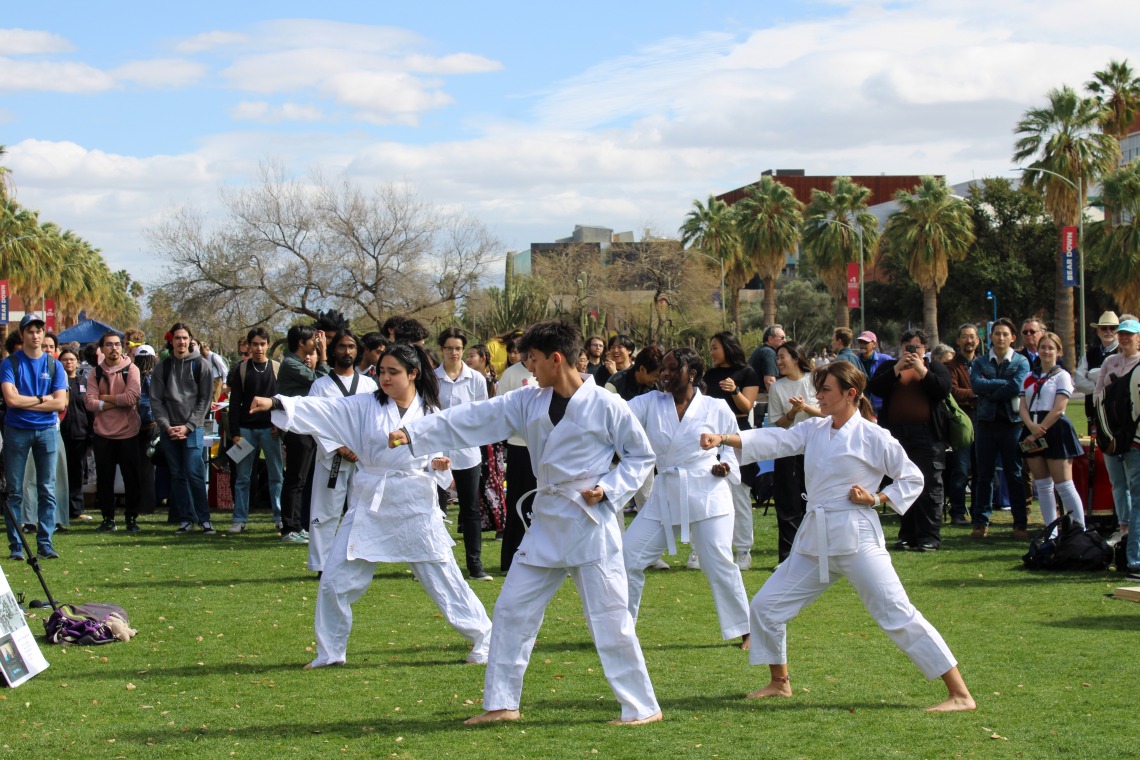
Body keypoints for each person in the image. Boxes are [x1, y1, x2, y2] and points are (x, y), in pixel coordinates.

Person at [390, 320, 661, 726]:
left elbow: (641, 456)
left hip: (590, 522)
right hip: (547, 520)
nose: (526, 366)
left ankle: (642, 707)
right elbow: (473, 417)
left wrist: (610, 488)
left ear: (556, 358)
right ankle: (502, 703)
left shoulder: (607, 404)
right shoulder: (527, 400)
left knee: (610, 619)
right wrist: (415, 432)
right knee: (512, 610)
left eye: (531, 358)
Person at [701, 361, 975, 713]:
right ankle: (778, 682)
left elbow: (912, 477)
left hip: (857, 537)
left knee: (897, 613)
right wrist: (724, 437)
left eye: (826, 390)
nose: (819, 396)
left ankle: (960, 694)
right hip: (815, 538)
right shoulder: (815, 429)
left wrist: (877, 498)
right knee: (766, 606)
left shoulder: (874, 436)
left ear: (850, 394)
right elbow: (777, 439)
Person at [249, 342, 492, 668]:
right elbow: (322, 410)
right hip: (371, 504)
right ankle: (331, 653)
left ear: (413, 374)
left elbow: (438, 454)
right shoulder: (364, 406)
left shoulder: (431, 411)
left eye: (394, 372)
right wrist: (276, 402)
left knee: (445, 580)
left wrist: (437, 462)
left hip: (414, 505)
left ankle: (484, 639)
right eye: (381, 371)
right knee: (334, 580)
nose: (385, 378)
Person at [622, 347, 751, 647]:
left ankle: (746, 629)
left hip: (707, 491)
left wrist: (726, 465)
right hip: (666, 491)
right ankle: (622, 629)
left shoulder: (716, 407)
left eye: (671, 369)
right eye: (662, 369)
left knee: (718, 561)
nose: (664, 374)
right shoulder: (650, 402)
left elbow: (733, 445)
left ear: (691, 373)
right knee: (628, 556)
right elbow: (617, 411)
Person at [867, 329, 952, 551]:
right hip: (896, 435)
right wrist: (898, 368)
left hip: (927, 435)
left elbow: (942, 389)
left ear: (925, 349)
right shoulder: (889, 368)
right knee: (902, 484)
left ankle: (929, 536)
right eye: (907, 348)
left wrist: (921, 370)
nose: (911, 352)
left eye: (917, 348)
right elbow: (875, 387)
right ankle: (907, 535)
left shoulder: (934, 367)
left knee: (929, 485)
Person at [306, 330, 377, 572]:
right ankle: (321, 564)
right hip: (332, 459)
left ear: (358, 351)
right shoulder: (320, 386)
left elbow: (375, 421)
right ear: (333, 350)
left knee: (360, 511)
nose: (347, 352)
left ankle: (358, 559)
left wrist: (360, 449)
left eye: (351, 347)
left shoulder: (369, 385)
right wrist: (339, 447)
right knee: (325, 512)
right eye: (342, 347)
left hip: (362, 459)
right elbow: (315, 422)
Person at [1, 313, 68, 560]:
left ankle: (45, 543)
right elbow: (11, 400)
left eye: (39, 330)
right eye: (30, 330)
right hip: (17, 430)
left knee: (47, 489)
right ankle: (17, 545)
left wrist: (25, 402)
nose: (35, 335)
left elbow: (60, 403)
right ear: (22, 335)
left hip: (47, 431)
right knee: (16, 491)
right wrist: (43, 399)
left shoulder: (54, 365)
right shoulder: (10, 364)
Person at [434, 327, 492, 581]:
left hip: (467, 451)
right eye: (449, 348)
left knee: (470, 509)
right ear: (441, 350)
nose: (454, 353)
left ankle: (475, 565)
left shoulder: (476, 379)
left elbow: (481, 413)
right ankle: (435, 562)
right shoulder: (432, 378)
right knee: (435, 509)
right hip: (437, 450)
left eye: (458, 348)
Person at [151, 322, 215, 534]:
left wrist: (188, 426)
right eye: (177, 338)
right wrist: (167, 426)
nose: (181, 342)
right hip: (169, 429)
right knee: (177, 475)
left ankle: (204, 520)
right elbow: (156, 400)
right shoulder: (163, 366)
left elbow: (205, 400)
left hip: (192, 429)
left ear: (190, 340)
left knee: (194, 473)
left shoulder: (201, 365)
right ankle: (185, 520)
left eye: (185, 338)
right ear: (171, 340)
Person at [1018, 331, 1086, 528]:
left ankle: (1079, 531)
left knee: (1064, 485)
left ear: (1058, 351)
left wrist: (1040, 429)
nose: (1046, 351)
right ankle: (1051, 532)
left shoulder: (1062, 376)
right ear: (1037, 350)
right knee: (1043, 486)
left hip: (1056, 430)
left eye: (1051, 348)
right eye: (1043, 347)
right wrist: (1031, 427)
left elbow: (1059, 408)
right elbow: (1022, 405)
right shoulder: (1029, 376)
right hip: (1031, 430)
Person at [704, 331, 760, 570]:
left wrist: (735, 390)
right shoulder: (708, 375)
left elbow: (746, 408)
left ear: (727, 347)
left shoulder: (747, 373)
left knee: (739, 494)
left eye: (715, 347)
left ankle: (743, 550)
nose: (712, 352)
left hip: (738, 436)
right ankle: (703, 550)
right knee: (707, 492)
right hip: (711, 437)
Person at [970, 318, 1031, 539]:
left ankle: (1020, 524)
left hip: (1012, 425)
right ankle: (980, 523)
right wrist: (1003, 386)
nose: (1001, 337)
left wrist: (991, 389)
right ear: (991, 337)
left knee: (1014, 475)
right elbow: (976, 385)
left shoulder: (1021, 361)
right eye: (997, 333)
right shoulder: (980, 362)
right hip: (986, 425)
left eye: (1005, 334)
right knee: (983, 476)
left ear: (1013, 338)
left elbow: (1018, 385)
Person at [766, 342, 821, 563]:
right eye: (777, 358)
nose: (779, 362)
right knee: (788, 504)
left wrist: (805, 407)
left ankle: (816, 554)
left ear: (796, 358)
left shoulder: (815, 380)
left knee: (814, 501)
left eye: (782, 357)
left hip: (815, 449)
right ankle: (787, 558)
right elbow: (778, 423)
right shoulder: (777, 388)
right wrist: (792, 412)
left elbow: (827, 414)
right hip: (788, 450)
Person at [1095, 317, 1140, 579]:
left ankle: (1128, 544)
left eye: (1128, 334)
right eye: (1121, 333)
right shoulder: (1110, 361)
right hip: (1114, 435)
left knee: (1133, 492)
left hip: (1131, 437)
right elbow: (1098, 395)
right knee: (1119, 485)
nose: (1123, 337)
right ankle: (1125, 537)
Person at [225, 328, 283, 534]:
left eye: (262, 344)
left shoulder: (277, 368)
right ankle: (239, 519)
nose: (259, 348)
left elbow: (282, 402)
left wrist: (280, 428)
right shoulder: (241, 369)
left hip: (270, 430)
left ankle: (280, 516)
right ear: (249, 346)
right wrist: (235, 433)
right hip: (246, 430)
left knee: (276, 475)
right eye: (255, 344)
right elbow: (235, 403)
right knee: (243, 477)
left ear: (268, 345)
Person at [85, 331, 142, 533]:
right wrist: (115, 400)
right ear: (102, 349)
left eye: (117, 344)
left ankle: (131, 518)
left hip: (128, 433)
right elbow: (90, 403)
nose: (114, 348)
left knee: (131, 478)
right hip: (103, 434)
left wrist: (105, 398)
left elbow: (131, 398)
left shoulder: (131, 369)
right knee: (104, 479)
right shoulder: (95, 373)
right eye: (109, 345)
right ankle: (108, 518)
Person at [277, 325, 330, 543]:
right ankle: (290, 527)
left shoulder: (297, 363)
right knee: (295, 478)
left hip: (306, 426)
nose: (316, 344)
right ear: (301, 342)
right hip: (296, 427)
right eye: (313, 340)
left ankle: (298, 525)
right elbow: (320, 382)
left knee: (303, 479)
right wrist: (324, 356)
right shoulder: (290, 364)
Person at [496, 341, 538, 572]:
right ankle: (509, 558)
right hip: (519, 445)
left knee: (541, 502)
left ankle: (539, 555)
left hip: (542, 446)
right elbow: (502, 409)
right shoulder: (511, 375)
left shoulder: (543, 372)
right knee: (517, 502)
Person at [464, 344, 507, 539]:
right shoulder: (467, 381)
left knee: (492, 480)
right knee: (472, 483)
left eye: (471, 355)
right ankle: (476, 524)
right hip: (470, 436)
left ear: (483, 358)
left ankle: (501, 524)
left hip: (490, 437)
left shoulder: (493, 382)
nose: (468, 359)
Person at [945, 324, 980, 527]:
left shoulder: (984, 364)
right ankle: (957, 512)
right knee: (960, 469)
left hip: (983, 422)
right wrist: (978, 394)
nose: (969, 341)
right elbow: (954, 392)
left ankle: (978, 512)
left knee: (981, 471)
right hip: (962, 424)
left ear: (978, 341)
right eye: (965, 337)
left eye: (972, 337)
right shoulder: (951, 367)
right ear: (958, 341)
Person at [58, 347, 93, 524]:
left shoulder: (84, 382)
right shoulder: (57, 382)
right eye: (65, 359)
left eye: (72, 359)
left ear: (77, 362)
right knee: (58, 473)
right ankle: (59, 509)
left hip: (79, 434)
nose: (69, 362)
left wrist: (90, 433)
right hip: (60, 433)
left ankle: (76, 509)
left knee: (77, 473)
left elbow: (89, 409)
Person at [1075, 311, 1120, 433]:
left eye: (1112, 328)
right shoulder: (1090, 353)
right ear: (1098, 331)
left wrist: (1092, 375)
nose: (1108, 331)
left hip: (1117, 413)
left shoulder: (1122, 352)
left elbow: (1120, 380)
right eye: (1104, 328)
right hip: (1093, 412)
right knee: (1093, 450)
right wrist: (1101, 384)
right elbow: (1079, 381)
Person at [854, 331, 892, 413]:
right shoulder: (856, 360)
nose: (862, 345)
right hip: (862, 406)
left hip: (881, 406)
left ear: (874, 344)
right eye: (860, 342)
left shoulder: (885, 360)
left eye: (866, 342)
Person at [747, 324, 786, 395]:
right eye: (782, 338)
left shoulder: (761, 350)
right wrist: (778, 399)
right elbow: (769, 381)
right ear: (770, 339)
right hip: (763, 398)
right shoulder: (769, 352)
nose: (785, 341)